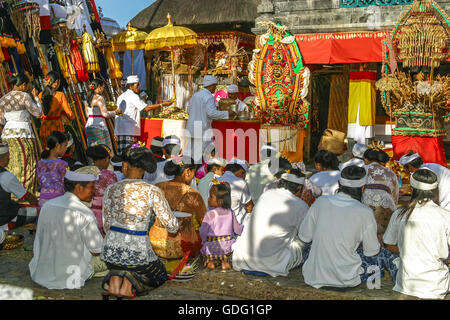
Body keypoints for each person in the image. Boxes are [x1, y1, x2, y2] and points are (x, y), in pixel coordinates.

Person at [102, 147, 178, 298]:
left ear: (125, 166)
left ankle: (115, 282)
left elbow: (106, 226)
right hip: (138, 254)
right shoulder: (151, 190)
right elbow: (172, 226)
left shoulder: (110, 189)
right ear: (145, 169)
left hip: (110, 253)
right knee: (160, 274)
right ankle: (129, 284)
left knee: (121, 262)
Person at [299, 166, 381, 289]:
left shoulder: (321, 202)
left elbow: (304, 237)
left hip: (314, 276)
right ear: (363, 187)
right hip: (347, 279)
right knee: (383, 255)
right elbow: (371, 252)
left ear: (339, 183)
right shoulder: (365, 212)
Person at [29, 171, 107, 289]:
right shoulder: (84, 212)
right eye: (91, 188)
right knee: (112, 261)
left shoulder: (48, 205)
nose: (93, 192)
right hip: (71, 276)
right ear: (79, 187)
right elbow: (96, 250)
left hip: (42, 272)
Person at [383, 169, 450, 299]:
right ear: (436, 190)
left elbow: (389, 244)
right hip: (435, 285)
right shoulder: (445, 216)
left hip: (406, 284)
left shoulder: (399, 214)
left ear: (412, 189)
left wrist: (407, 252)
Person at [232, 170, 309, 277]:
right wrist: (307, 206)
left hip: (245, 258)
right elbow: (307, 235)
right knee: (306, 245)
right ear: (299, 188)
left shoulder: (266, 194)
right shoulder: (300, 205)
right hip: (273, 262)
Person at [151, 156, 206, 259]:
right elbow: (204, 221)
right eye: (194, 172)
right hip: (183, 246)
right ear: (187, 171)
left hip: (156, 243)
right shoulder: (193, 194)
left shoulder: (158, 187)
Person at [0, 73, 42, 198]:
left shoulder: (3, 99)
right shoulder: (24, 96)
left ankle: (13, 193)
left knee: (10, 163)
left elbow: (1, 121)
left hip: (7, 134)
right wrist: (37, 99)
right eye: (27, 85)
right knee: (27, 163)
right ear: (23, 85)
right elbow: (38, 113)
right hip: (23, 134)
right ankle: (27, 194)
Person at [114, 75, 170, 155]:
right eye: (137, 85)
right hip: (128, 130)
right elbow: (146, 108)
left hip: (122, 130)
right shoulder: (133, 96)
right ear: (131, 86)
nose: (139, 87)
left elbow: (117, 114)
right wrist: (162, 105)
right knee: (128, 156)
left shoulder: (121, 96)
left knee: (123, 156)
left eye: (139, 84)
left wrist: (115, 131)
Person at [186, 75, 234, 164]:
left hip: (192, 127)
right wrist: (227, 113)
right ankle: (197, 172)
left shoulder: (196, 95)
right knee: (200, 154)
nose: (215, 88)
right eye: (215, 86)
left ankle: (188, 169)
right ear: (211, 85)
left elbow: (188, 110)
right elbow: (211, 113)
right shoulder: (209, 97)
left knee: (191, 152)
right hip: (202, 129)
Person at [0, 143, 39, 245]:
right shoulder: (6, 177)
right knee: (39, 210)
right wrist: (38, 202)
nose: (9, 158)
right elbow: (28, 197)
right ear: (4, 157)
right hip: (4, 219)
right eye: (8, 156)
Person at [200, 181, 243, 270]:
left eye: (211, 196)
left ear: (220, 201)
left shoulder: (210, 214)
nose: (208, 199)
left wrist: (204, 241)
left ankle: (210, 263)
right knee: (227, 253)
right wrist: (243, 228)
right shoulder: (230, 212)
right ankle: (225, 262)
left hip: (211, 246)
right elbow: (237, 229)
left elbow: (203, 231)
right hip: (226, 246)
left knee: (209, 254)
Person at [361, 148, 399, 239]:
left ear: (366, 159)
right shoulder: (390, 172)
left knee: (366, 236)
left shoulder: (362, 170)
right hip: (386, 205)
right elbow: (395, 195)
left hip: (365, 204)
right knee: (383, 237)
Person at [86, 145, 117, 236]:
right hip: (106, 211)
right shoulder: (111, 175)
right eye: (108, 159)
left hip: (91, 209)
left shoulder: (87, 173)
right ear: (104, 160)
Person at [38, 71, 74, 150]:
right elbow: (70, 114)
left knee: (48, 152)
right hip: (57, 127)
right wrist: (64, 115)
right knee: (59, 151)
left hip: (45, 128)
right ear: (57, 82)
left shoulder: (40, 95)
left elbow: (38, 115)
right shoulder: (60, 95)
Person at [85, 78, 121, 151]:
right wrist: (116, 112)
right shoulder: (99, 98)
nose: (103, 90)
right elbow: (105, 114)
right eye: (103, 88)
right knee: (104, 150)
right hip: (99, 126)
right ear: (99, 87)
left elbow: (87, 115)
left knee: (93, 150)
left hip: (89, 126)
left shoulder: (87, 98)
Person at [36, 131, 69, 208]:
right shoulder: (62, 164)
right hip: (58, 201)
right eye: (65, 145)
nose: (66, 149)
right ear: (57, 145)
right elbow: (66, 184)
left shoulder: (40, 163)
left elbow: (40, 182)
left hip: (43, 200)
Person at [218, 158, 253, 225]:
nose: (244, 178)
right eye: (244, 174)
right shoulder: (241, 183)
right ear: (240, 172)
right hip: (236, 226)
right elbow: (250, 207)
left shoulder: (214, 182)